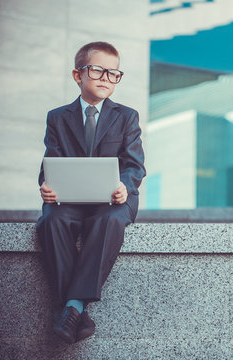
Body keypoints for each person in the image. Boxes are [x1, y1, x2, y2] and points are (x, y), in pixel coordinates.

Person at [36, 41, 146, 344]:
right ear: (78, 75)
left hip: (113, 201)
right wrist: (46, 187)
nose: (106, 78)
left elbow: (135, 165)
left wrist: (125, 186)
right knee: (51, 221)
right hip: (71, 199)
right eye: (98, 69)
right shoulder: (57, 117)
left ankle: (70, 307)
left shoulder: (127, 117)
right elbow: (50, 164)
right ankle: (78, 316)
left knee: (109, 221)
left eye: (114, 73)